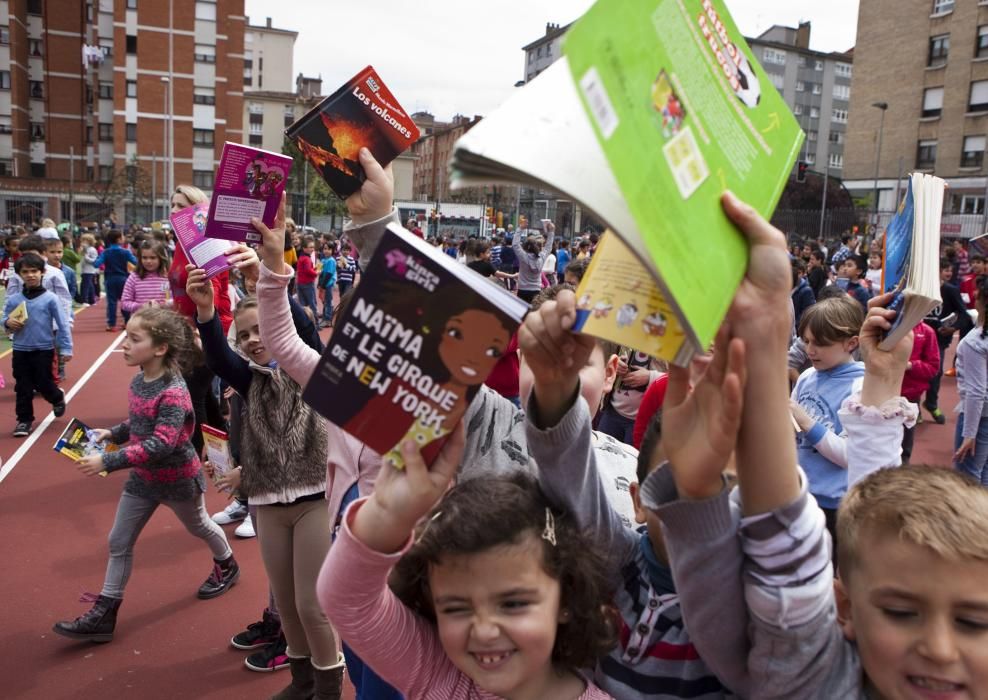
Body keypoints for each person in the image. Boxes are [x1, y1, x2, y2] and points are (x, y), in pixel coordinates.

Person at [520, 286, 746, 697]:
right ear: (639, 502)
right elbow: (570, 471)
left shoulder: (748, 601)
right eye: (675, 483)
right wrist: (554, 391)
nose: (698, 506)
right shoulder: (619, 562)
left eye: (723, 486)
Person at [317, 429, 617, 699]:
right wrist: (386, 512)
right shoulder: (438, 674)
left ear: (565, 598)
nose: (484, 631)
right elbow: (347, 601)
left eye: (513, 604)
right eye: (456, 608)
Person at [187, 267, 344, 692]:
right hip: (268, 503)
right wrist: (206, 310)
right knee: (288, 606)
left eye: (261, 329)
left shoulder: (311, 370)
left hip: (316, 499)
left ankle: (328, 690)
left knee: (313, 605)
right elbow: (218, 358)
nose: (254, 339)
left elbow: (306, 335)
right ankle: (303, 682)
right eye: (245, 335)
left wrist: (272, 285)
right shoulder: (247, 378)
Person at [52, 307, 238, 644]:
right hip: (143, 481)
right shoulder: (140, 379)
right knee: (118, 541)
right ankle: (105, 613)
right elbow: (138, 425)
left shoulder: (174, 392)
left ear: (160, 348)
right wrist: (113, 434)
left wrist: (110, 461)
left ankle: (227, 564)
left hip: (178, 479)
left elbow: (161, 443)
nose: (124, 344)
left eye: (134, 339)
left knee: (199, 525)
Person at [789, 295, 865, 545]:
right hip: (799, 494)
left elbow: (848, 455)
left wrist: (807, 422)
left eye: (820, 343)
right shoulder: (807, 376)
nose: (810, 350)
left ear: (851, 343)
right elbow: (792, 434)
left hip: (834, 504)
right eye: (807, 341)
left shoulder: (861, 385)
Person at [3, 253, 71, 437]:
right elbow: (4, 319)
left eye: (34, 271)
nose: (30, 275)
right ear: (19, 275)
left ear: (42, 272)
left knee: (43, 383)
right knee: (23, 386)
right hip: (20, 350)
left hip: (44, 349)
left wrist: (66, 348)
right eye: (25, 272)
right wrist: (8, 323)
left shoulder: (50, 299)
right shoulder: (14, 300)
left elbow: (63, 324)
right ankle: (24, 420)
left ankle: (57, 397)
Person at [168, 185, 234, 334]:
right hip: (184, 328)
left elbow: (212, 295)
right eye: (172, 205)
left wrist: (202, 329)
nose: (173, 210)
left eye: (180, 206)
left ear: (196, 211)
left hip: (208, 331)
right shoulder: (181, 243)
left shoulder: (205, 245)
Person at [924, 257, 974, 423]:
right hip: (918, 337)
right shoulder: (922, 289)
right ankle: (913, 406)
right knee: (913, 372)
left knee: (936, 372)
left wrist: (952, 328)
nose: (949, 273)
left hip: (938, 338)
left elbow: (964, 315)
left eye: (950, 271)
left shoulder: (950, 290)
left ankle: (931, 404)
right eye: (945, 270)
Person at [953, 274, 988, 486]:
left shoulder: (975, 342)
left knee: (968, 480)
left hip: (979, 417)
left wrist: (969, 433)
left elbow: (977, 391)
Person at [899, 320, 939, 463]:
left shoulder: (927, 332)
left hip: (911, 393)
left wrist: (911, 365)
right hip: (885, 391)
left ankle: (903, 465)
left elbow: (933, 367)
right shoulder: (889, 326)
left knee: (906, 435)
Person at [94, 230, 138, 331]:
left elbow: (96, 264)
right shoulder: (125, 252)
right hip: (123, 279)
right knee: (124, 300)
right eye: (122, 236)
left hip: (110, 279)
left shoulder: (106, 252)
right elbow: (135, 262)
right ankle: (127, 322)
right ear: (118, 239)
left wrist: (97, 259)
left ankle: (111, 324)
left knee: (112, 302)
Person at [120, 240, 171, 315]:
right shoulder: (134, 277)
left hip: (163, 321)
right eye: (144, 258)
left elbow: (175, 300)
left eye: (153, 258)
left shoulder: (168, 277)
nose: (148, 261)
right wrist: (141, 306)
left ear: (161, 258)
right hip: (140, 322)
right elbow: (124, 303)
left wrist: (165, 304)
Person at [295, 236, 319, 321]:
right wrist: (316, 273)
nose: (312, 249)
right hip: (308, 284)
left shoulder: (301, 257)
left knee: (302, 304)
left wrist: (314, 269)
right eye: (310, 247)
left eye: (313, 247)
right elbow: (308, 271)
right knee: (312, 303)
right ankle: (316, 322)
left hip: (300, 283)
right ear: (304, 248)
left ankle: (304, 320)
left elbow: (304, 270)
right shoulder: (306, 259)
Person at [790, 257, 815, 329]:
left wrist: (793, 324)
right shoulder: (788, 286)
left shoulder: (806, 291)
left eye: (798, 273)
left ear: (804, 273)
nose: (795, 275)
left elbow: (807, 314)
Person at [317, 243, 337, 329]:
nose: (326, 251)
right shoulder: (323, 260)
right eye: (325, 249)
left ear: (333, 251)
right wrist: (319, 283)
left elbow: (329, 274)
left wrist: (323, 285)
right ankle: (325, 316)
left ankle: (328, 320)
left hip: (328, 284)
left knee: (328, 301)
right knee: (324, 301)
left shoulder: (331, 261)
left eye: (328, 249)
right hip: (323, 284)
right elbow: (319, 272)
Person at [80, 232, 99, 304]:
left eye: (84, 240)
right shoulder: (86, 249)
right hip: (85, 270)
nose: (83, 242)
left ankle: (85, 300)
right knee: (90, 286)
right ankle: (92, 300)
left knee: (85, 286)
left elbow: (94, 260)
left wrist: (86, 257)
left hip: (89, 271)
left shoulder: (92, 249)